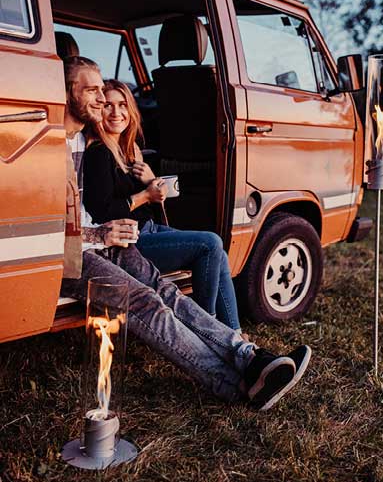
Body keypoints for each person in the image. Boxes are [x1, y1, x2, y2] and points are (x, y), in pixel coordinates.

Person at [59, 56, 308, 410]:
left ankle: (250, 357)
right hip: (73, 254)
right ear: (68, 92)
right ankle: (234, 385)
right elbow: (48, 228)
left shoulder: (83, 141)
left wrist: (119, 216)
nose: (103, 100)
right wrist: (102, 233)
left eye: (107, 93)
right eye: (94, 91)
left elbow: (91, 208)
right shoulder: (50, 146)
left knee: (166, 290)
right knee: (147, 301)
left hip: (103, 239)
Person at [83, 80, 241, 331]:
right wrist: (145, 194)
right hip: (128, 244)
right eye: (108, 106)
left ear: (131, 110)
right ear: (98, 110)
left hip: (150, 229)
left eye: (122, 105)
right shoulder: (98, 152)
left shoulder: (129, 150)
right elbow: (101, 210)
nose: (116, 113)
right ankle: (209, 328)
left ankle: (235, 333)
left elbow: (152, 210)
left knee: (217, 252)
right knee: (210, 243)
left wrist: (151, 184)